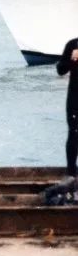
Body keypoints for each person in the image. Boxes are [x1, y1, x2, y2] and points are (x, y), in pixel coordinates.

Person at [56, 36, 78, 182]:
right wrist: (72, 59)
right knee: (74, 133)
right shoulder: (73, 44)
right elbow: (60, 70)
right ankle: (71, 173)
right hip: (75, 99)